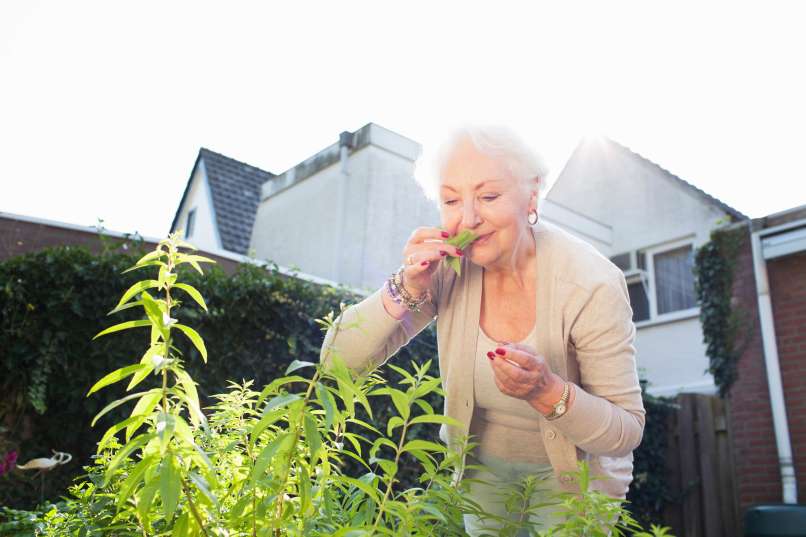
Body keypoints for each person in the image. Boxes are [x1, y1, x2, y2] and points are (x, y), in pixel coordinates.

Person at [319, 126, 645, 535]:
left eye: (488, 196)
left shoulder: (590, 282)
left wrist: (546, 392)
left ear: (531, 194)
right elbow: (335, 362)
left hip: (575, 478)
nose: (468, 218)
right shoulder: (446, 271)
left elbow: (626, 431)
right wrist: (407, 288)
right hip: (482, 473)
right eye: (451, 199)